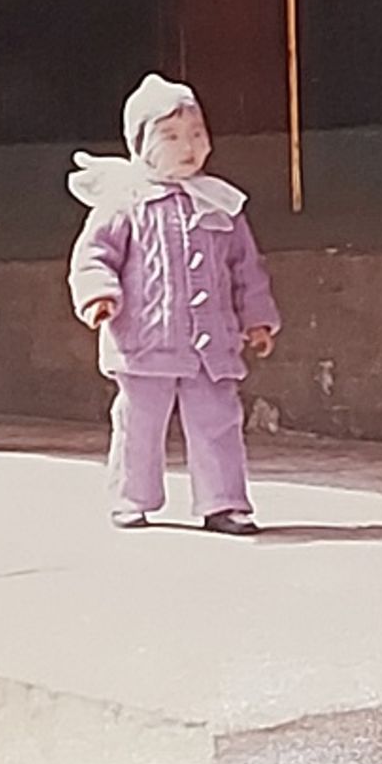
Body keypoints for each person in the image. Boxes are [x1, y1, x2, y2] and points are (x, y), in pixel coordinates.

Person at [67, 73, 280, 535]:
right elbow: (95, 254)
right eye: (171, 136)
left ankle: (224, 502)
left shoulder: (222, 205)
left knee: (218, 422)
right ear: (141, 143)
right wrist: (100, 295)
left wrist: (257, 319)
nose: (189, 146)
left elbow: (246, 268)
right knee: (139, 423)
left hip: (213, 344)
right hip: (146, 341)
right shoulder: (125, 200)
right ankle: (131, 497)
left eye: (197, 134)